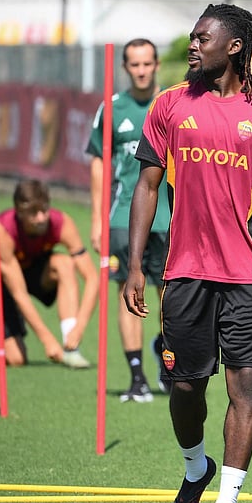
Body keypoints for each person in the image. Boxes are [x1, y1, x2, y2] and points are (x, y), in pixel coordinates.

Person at [123, 3, 252, 503]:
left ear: (235, 46)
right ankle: (193, 468)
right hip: (184, 271)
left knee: (245, 384)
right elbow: (147, 187)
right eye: (192, 35)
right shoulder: (170, 105)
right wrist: (135, 265)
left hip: (250, 274)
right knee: (185, 387)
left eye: (203, 36)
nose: (193, 44)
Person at [87, 38, 171, 403]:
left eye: (147, 64)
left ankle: (167, 356)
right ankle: (136, 378)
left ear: (156, 65)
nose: (141, 70)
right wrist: (96, 219)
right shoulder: (112, 108)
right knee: (128, 293)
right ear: (125, 68)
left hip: (168, 218)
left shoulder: (171, 105)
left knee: (171, 298)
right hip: (123, 217)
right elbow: (98, 163)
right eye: (134, 64)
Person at [0, 179, 97, 369]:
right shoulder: (1, 230)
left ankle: (71, 348)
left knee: (64, 263)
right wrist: (47, 339)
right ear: (19, 212)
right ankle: (6, 326)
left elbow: (92, 278)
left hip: (35, 270)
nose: (41, 218)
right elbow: (19, 293)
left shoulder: (62, 223)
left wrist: (79, 327)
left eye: (44, 210)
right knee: (17, 359)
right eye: (33, 213)